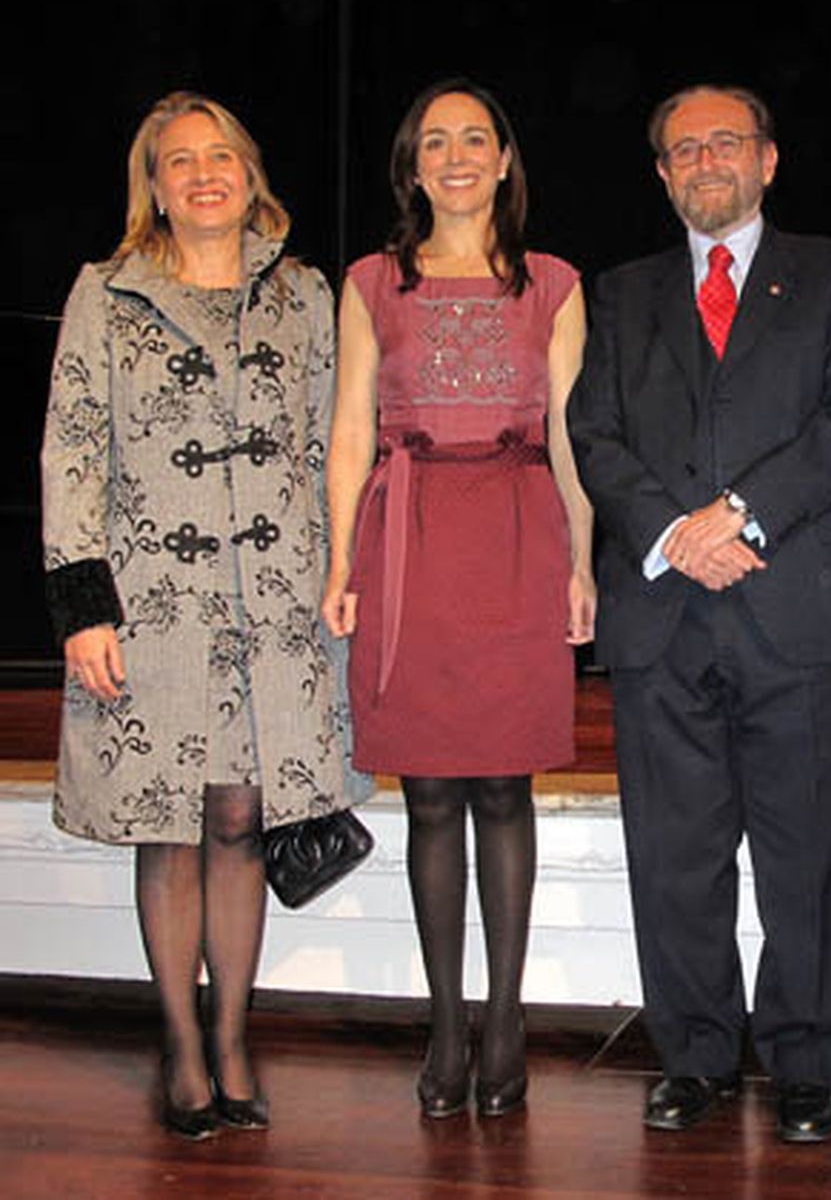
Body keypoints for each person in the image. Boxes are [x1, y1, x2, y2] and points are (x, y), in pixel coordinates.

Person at [40, 91, 367, 1139]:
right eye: (179, 161)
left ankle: (233, 1030)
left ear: (250, 170)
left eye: (220, 154)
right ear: (156, 186)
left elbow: (335, 438)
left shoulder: (303, 292)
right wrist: (84, 605)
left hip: (275, 608)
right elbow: (72, 446)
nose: (203, 173)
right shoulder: (108, 292)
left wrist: (342, 563)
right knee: (168, 822)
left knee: (241, 815)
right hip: (153, 605)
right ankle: (180, 1042)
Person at [567, 83, 831, 1144]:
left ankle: (806, 1058)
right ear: (661, 172)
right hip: (665, 612)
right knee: (674, 853)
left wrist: (736, 517)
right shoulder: (621, 293)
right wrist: (672, 536)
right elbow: (596, 433)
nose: (707, 160)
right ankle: (695, 1053)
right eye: (684, 147)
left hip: (795, 602)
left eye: (727, 142)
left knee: (809, 850)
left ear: (768, 158)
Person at [321, 79, 593, 1120]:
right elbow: (349, 431)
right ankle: (445, 1020)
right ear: (411, 166)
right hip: (408, 536)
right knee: (431, 793)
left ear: (505, 158)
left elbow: (573, 436)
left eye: (474, 137)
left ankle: (508, 1015)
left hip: (520, 533)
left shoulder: (556, 283)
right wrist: (339, 560)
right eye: (435, 141)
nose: (456, 155)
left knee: (503, 787)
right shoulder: (371, 282)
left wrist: (582, 561)